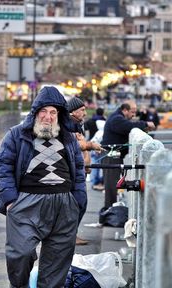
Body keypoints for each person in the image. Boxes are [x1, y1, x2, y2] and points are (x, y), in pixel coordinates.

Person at [0, 86, 86, 288]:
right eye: (43, 111)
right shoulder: (17, 134)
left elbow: (78, 169)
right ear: (35, 112)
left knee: (57, 263)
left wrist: (78, 200)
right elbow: (3, 165)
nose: (48, 117)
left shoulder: (68, 138)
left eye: (53, 112)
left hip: (64, 205)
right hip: (27, 203)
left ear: (59, 114)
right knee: (21, 254)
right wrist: (9, 200)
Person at [101, 100, 155, 210]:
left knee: (115, 184)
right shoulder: (117, 119)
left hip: (114, 155)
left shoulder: (118, 117)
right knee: (111, 186)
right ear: (125, 110)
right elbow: (129, 126)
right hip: (110, 156)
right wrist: (145, 124)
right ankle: (109, 212)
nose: (134, 115)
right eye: (132, 112)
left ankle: (112, 210)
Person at [67, 96, 103, 245]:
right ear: (73, 111)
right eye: (82, 110)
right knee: (79, 203)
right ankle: (70, 236)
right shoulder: (69, 125)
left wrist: (87, 164)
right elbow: (77, 145)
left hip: (80, 171)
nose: (85, 113)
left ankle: (71, 234)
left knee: (80, 203)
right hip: (74, 172)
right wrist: (90, 145)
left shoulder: (77, 124)